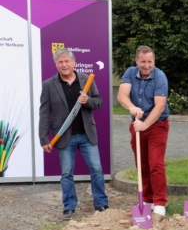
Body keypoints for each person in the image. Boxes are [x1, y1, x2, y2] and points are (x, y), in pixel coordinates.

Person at [39, 48, 109, 220]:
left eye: (67, 61)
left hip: (86, 134)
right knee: (66, 173)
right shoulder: (49, 85)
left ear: (74, 62)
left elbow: (98, 101)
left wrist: (87, 101)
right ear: (56, 65)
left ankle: (101, 203)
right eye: (60, 62)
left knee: (97, 170)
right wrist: (43, 138)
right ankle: (69, 207)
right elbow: (45, 112)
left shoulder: (86, 80)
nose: (64, 65)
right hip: (64, 136)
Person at [117, 45, 170, 216]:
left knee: (156, 163)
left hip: (157, 125)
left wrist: (145, 125)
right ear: (137, 61)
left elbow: (160, 106)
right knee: (142, 164)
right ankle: (147, 200)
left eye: (150, 62)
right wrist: (132, 107)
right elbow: (122, 95)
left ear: (154, 61)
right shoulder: (130, 73)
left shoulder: (160, 76)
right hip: (137, 124)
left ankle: (160, 202)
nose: (147, 65)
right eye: (143, 62)